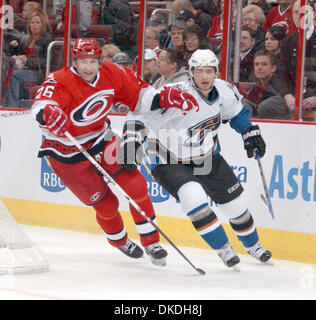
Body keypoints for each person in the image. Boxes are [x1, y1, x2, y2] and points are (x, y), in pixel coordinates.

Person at [30, 38, 198, 266]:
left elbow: (140, 97)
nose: (88, 67)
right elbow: (41, 104)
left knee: (136, 185)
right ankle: (119, 240)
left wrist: (164, 97)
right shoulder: (59, 81)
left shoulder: (113, 73)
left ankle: (151, 242)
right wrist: (46, 113)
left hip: (102, 137)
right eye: (82, 61)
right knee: (106, 205)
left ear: (100, 60)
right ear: (74, 62)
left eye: (92, 61)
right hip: (65, 151)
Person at [118, 49, 272, 269]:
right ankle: (224, 249)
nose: (205, 77)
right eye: (200, 71)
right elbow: (139, 113)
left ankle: (253, 246)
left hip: (206, 156)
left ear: (216, 72)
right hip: (167, 159)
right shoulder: (173, 93)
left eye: (209, 71)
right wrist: (131, 140)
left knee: (236, 206)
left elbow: (236, 113)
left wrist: (249, 131)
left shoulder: (225, 90)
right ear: (191, 72)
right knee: (194, 199)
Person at [4, 10, 53, 108]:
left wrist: (27, 61)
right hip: (24, 69)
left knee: (15, 74)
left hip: (38, 73)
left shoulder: (47, 39)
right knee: (6, 69)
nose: (34, 25)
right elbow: (17, 54)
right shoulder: (27, 38)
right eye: (32, 22)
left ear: (43, 24)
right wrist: (12, 47)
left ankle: (12, 106)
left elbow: (46, 61)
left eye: (37, 23)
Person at [278, 0, 316, 119]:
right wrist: (287, 95)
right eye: (296, 12)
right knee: (268, 106)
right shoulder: (287, 42)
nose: (300, 16)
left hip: (313, 94)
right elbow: (282, 74)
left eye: (304, 12)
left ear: (314, 14)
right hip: (293, 95)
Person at [241, 50, 287, 119]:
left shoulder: (281, 87)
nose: (259, 68)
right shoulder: (254, 87)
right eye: (256, 64)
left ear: (273, 68)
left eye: (264, 64)